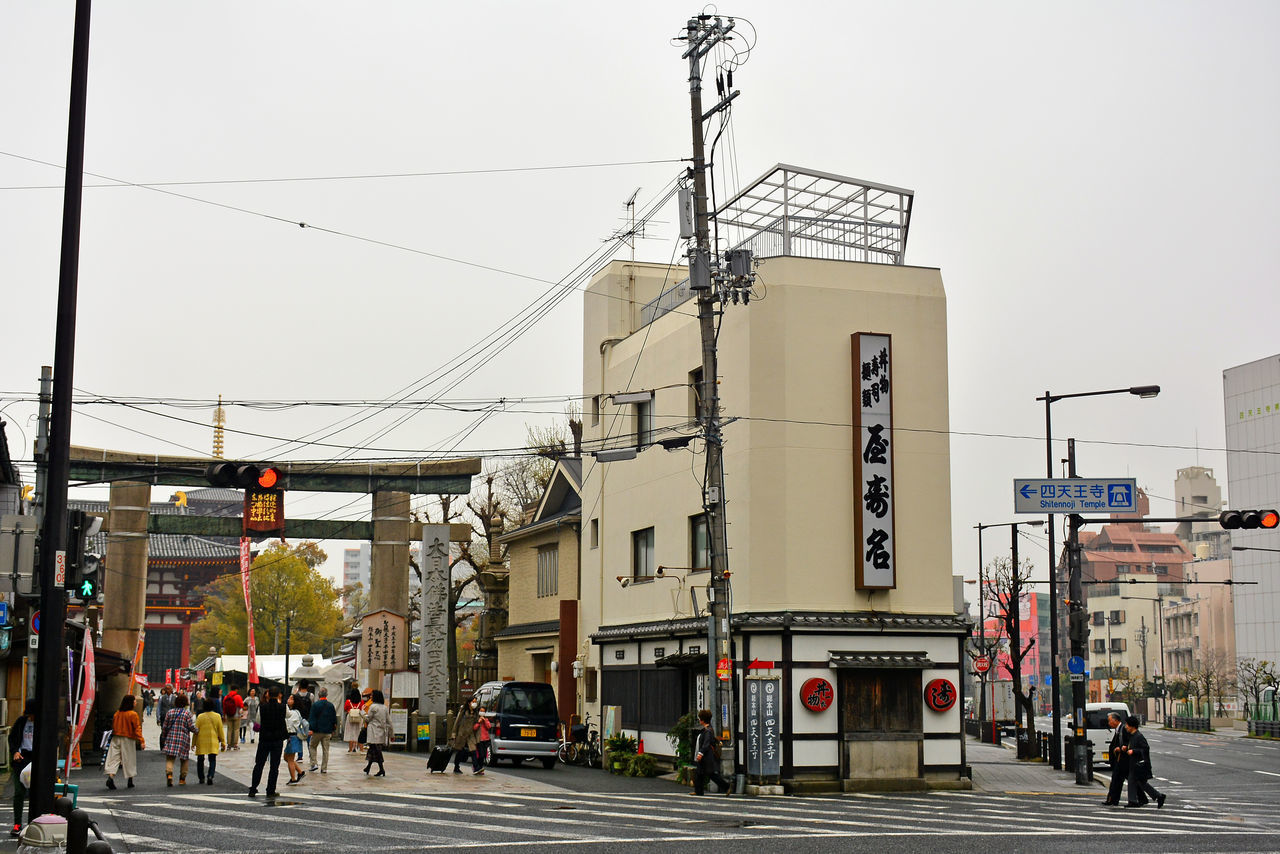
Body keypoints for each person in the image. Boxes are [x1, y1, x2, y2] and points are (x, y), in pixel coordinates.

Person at [1120, 716, 1166, 809]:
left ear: (1132, 726)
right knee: (1138, 782)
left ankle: (1134, 801)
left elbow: (1145, 748)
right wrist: (1126, 747)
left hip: (1139, 765)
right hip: (1134, 764)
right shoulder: (1132, 736)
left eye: (1127, 725)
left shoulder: (1138, 736)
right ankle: (1157, 796)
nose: (1125, 727)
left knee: (1138, 782)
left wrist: (1134, 751)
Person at [249, 688, 286, 798]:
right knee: (274, 766)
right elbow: (287, 716)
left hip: (264, 738)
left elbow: (258, 721)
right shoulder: (283, 707)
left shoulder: (262, 707)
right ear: (279, 695)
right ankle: (270, 790)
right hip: (277, 739)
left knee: (259, 764)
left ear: (268, 695)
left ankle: (253, 788)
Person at [104, 695, 145, 790]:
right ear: (130, 703)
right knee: (129, 759)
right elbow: (137, 728)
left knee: (113, 758)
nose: (136, 702)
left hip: (116, 737)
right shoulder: (133, 714)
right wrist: (141, 740)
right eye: (134, 701)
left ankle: (110, 777)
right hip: (128, 738)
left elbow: (113, 725)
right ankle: (130, 780)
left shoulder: (117, 714)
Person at [8, 700, 36, 837]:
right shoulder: (21, 721)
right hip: (21, 759)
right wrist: (15, 752)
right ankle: (17, 824)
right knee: (19, 792)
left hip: (36, 760)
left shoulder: (45, 722)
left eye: (32, 715)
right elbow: (12, 738)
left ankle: (35, 824)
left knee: (36, 793)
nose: (30, 717)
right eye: (29, 714)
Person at [692, 708, 732, 796]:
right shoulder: (708, 729)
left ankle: (726, 786)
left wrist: (700, 753)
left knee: (710, 774)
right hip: (706, 756)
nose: (699, 720)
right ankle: (698, 791)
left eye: (700, 719)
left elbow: (706, 744)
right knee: (700, 773)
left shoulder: (708, 731)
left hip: (707, 756)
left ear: (702, 720)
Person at [160, 693, 196, 787]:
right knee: (184, 759)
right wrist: (197, 731)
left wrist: (164, 737)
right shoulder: (187, 713)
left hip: (171, 737)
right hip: (183, 738)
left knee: (170, 758)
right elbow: (191, 727)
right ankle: (182, 779)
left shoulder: (170, 712)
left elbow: (165, 726)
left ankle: (169, 774)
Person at [1102, 711, 1137, 807]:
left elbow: (1129, 742)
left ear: (1116, 720)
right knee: (1121, 780)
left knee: (1118, 780)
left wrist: (1122, 747)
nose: (1109, 723)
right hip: (1119, 759)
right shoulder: (1119, 729)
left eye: (1110, 721)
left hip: (1123, 760)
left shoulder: (1123, 729)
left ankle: (1113, 799)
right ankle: (1113, 799)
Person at [193, 698, 226, 785]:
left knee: (200, 759)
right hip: (213, 740)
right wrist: (223, 742)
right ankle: (210, 775)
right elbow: (220, 730)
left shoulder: (200, 717)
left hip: (201, 740)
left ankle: (201, 778)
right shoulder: (217, 716)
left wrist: (193, 743)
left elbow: (196, 731)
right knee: (212, 759)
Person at [308, 687, 337, 773]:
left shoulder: (315, 705)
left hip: (317, 730)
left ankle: (314, 763)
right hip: (327, 731)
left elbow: (312, 718)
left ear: (318, 694)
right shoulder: (331, 705)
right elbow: (334, 719)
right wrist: (333, 729)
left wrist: (311, 729)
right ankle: (324, 768)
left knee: (312, 746)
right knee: (326, 750)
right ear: (327, 695)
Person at [363, 690, 391, 777]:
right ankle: (368, 767)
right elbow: (389, 721)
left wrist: (363, 714)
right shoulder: (384, 707)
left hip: (373, 731)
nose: (371, 697)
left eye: (372, 695)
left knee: (376, 751)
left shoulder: (373, 707)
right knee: (373, 750)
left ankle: (381, 769)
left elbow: (368, 718)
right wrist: (391, 733)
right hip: (381, 731)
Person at [449, 698, 479, 774]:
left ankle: (476, 768)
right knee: (459, 751)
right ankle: (456, 767)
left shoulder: (476, 712)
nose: (475, 703)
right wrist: (454, 733)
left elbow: (476, 723)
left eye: (475, 702)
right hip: (462, 733)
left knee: (473, 750)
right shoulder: (463, 710)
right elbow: (457, 721)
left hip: (470, 734)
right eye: (473, 702)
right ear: (469, 703)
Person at [283, 694, 308, 786]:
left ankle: (293, 779)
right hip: (294, 737)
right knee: (286, 757)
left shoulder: (293, 713)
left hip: (292, 737)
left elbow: (289, 725)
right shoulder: (296, 712)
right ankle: (300, 772)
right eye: (289, 697)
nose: (289, 699)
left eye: (291, 698)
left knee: (290, 759)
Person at [343, 687, 365, 753]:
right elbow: (362, 710)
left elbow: (345, 709)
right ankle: (360, 748)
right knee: (359, 732)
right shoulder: (361, 702)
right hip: (359, 718)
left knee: (350, 732)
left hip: (350, 718)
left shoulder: (348, 701)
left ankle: (350, 748)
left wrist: (350, 710)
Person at [473, 704, 492, 775]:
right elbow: (474, 728)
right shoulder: (476, 719)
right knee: (480, 755)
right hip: (479, 740)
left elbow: (489, 727)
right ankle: (477, 767)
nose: (482, 712)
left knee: (484, 755)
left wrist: (484, 721)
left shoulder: (486, 719)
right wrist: (479, 722)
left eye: (483, 711)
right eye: (481, 711)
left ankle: (480, 768)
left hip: (485, 739)